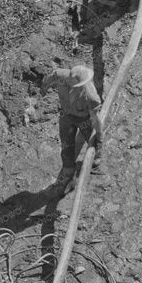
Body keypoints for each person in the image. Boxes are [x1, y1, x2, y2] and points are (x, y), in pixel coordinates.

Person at [40, 60, 104, 191]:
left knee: (92, 142)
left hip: (84, 119)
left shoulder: (91, 97)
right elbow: (50, 77)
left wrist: (99, 135)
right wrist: (44, 87)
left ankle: (96, 161)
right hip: (66, 116)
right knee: (66, 144)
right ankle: (69, 172)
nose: (84, 86)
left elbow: (95, 118)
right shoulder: (61, 76)